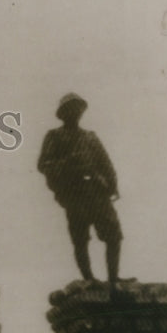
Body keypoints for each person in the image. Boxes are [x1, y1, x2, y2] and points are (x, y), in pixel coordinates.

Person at [37, 92, 123, 286]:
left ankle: (113, 278)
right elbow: (43, 164)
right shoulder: (54, 136)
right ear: (63, 113)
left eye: (78, 108)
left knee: (114, 235)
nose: (75, 112)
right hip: (74, 192)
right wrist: (68, 163)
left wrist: (112, 184)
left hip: (97, 192)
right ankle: (89, 279)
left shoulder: (90, 137)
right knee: (80, 238)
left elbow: (106, 163)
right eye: (70, 109)